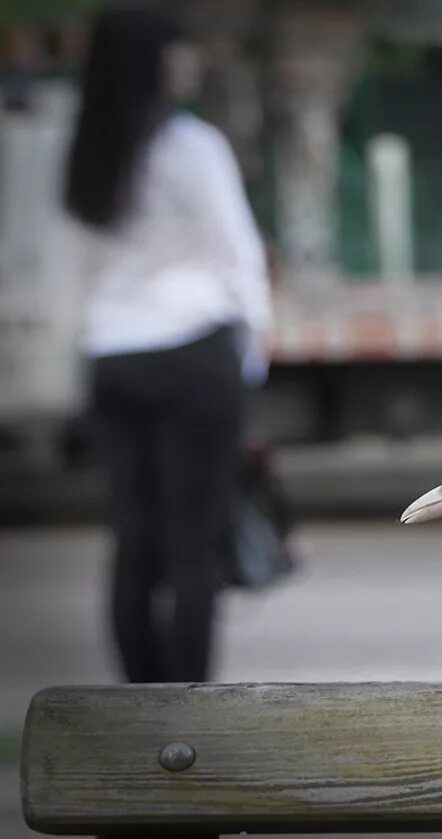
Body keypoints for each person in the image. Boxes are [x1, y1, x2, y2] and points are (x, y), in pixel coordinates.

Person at [64, 4, 272, 683]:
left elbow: (83, 265)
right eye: (176, 51)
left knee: (132, 543)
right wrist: (253, 353)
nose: (187, 64)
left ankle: (134, 703)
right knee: (193, 545)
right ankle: (186, 711)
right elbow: (237, 254)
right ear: (153, 62)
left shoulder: (87, 151)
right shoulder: (190, 144)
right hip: (192, 350)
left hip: (111, 354)